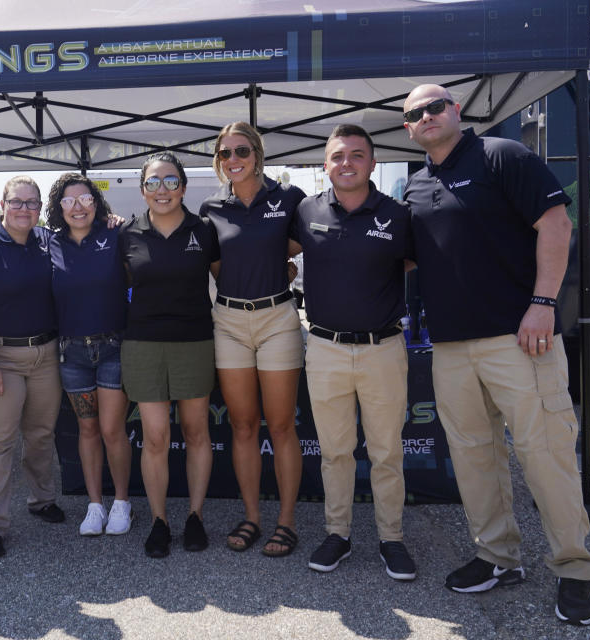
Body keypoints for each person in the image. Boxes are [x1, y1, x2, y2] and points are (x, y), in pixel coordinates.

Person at [403, 84, 590, 624]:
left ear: (456, 110)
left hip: (520, 339)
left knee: (546, 455)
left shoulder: (502, 155)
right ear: (407, 128)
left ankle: (575, 570)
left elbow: (555, 224)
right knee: (473, 458)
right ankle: (497, 557)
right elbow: (408, 260)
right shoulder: (415, 185)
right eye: (414, 113)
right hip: (449, 347)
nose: (426, 116)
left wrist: (543, 303)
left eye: (434, 106)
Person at [291, 124, 416, 580]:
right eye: (338, 156)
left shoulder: (398, 214)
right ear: (325, 164)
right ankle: (337, 534)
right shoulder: (305, 210)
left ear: (372, 164)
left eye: (357, 155)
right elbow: (280, 251)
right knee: (335, 451)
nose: (347, 163)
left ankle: (392, 539)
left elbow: (412, 258)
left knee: (386, 452)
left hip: (383, 348)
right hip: (324, 348)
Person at [198, 121, 306, 557]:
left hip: (278, 318)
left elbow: (300, 246)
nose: (233, 160)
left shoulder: (289, 198)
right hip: (229, 322)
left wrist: (285, 269)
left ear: (257, 154)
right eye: (224, 154)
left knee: (280, 426)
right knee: (242, 426)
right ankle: (252, 517)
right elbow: (217, 266)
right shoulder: (211, 208)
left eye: (241, 151)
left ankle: (286, 521)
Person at [0, 175, 65, 559]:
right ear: (2, 205)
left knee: (40, 434)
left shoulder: (48, 241)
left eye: (32, 202)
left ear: (40, 207)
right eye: (16, 202)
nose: (24, 209)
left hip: (45, 355)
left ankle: (42, 499)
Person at [119, 151, 220, 558]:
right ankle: (159, 520)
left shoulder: (206, 230)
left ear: (183, 185)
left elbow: (228, 280)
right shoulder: (127, 235)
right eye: (153, 182)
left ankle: (195, 516)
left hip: (194, 341)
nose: (162, 190)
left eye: (170, 181)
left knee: (196, 433)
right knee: (156, 438)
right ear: (143, 190)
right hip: (143, 344)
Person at [46, 173, 133, 536]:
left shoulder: (116, 235)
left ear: (96, 204)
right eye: (69, 201)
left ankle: (122, 503)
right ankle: (95, 505)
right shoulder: (48, 244)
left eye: (85, 199)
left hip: (113, 346)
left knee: (113, 430)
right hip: (72, 353)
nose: (78, 207)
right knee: (87, 428)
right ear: (59, 207)